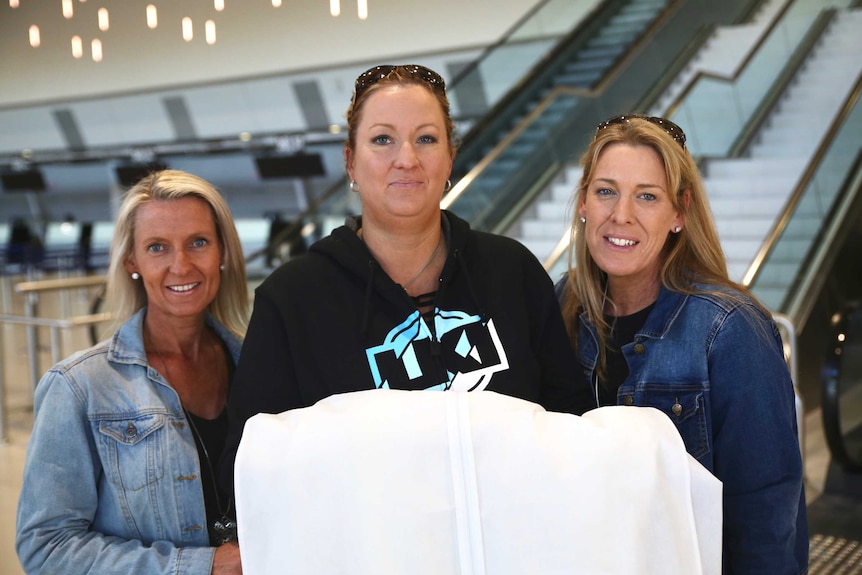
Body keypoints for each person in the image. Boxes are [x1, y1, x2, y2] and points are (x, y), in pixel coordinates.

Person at [221, 63, 592, 490]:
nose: (407, 159)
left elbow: (570, 421)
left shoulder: (513, 271)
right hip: (371, 553)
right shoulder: (292, 299)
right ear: (351, 162)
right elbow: (250, 461)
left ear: (450, 156)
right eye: (383, 139)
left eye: (426, 139)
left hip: (510, 543)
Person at [556, 114, 808, 573]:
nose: (621, 214)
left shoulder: (729, 329)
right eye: (606, 190)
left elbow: (766, 519)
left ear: (679, 213)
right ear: (584, 204)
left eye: (647, 196)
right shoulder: (563, 303)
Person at [16, 170, 248, 575]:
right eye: (157, 247)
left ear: (223, 252)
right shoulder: (80, 388)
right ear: (132, 261)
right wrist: (202, 566)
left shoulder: (259, 365)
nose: (181, 265)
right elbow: (47, 548)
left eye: (198, 242)